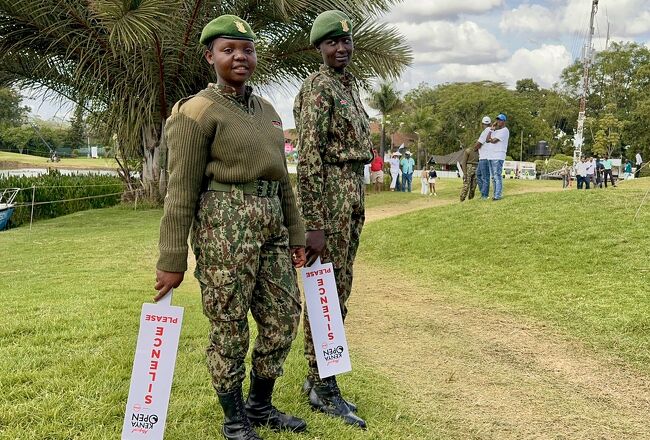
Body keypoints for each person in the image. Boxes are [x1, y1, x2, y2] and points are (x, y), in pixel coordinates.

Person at [154, 15, 307, 440]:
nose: (240, 56)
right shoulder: (195, 111)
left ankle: (259, 405)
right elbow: (180, 191)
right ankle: (234, 420)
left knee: (282, 316)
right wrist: (172, 260)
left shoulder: (269, 111)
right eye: (228, 50)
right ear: (210, 56)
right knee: (230, 323)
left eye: (247, 49)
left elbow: (282, 179)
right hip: (225, 224)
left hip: (271, 221)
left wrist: (296, 233)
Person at [293, 9, 370, 429]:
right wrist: (315, 223)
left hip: (352, 191)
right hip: (331, 197)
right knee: (327, 291)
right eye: (331, 43)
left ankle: (316, 375)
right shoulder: (318, 88)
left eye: (345, 41)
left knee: (339, 289)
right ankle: (324, 385)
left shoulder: (348, 85)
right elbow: (308, 159)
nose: (340, 48)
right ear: (319, 49)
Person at [485, 114, 509, 200]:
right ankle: (495, 194)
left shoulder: (505, 131)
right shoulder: (495, 131)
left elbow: (494, 141)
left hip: (498, 156)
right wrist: (491, 129)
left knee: (497, 176)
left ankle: (498, 195)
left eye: (500, 120)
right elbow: (487, 140)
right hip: (491, 156)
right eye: (497, 120)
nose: (498, 121)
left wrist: (492, 139)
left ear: (504, 121)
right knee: (493, 177)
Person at [475, 116, 492, 199]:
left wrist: (474, 148)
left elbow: (478, 144)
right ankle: (483, 193)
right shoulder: (491, 130)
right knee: (478, 174)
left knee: (485, 177)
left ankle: (484, 195)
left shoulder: (485, 131)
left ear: (482, 124)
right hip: (486, 157)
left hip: (484, 158)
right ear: (489, 123)